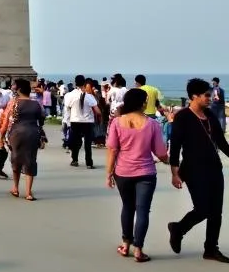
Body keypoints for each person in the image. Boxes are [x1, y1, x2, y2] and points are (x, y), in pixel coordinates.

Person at [169, 78, 229, 262]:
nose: (210, 98)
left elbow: (221, 142)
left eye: (210, 95)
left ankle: (211, 249)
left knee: (216, 212)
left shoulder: (210, 116)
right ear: (194, 96)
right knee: (203, 209)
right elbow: (176, 145)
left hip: (214, 169)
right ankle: (178, 228)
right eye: (206, 95)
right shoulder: (183, 116)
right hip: (193, 170)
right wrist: (174, 172)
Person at [106, 86, 168, 262]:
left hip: (123, 172)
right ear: (144, 103)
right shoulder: (152, 124)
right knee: (142, 211)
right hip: (146, 172)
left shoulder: (117, 122)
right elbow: (160, 151)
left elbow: (112, 150)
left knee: (128, 207)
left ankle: (125, 245)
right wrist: (168, 161)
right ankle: (139, 250)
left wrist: (108, 174)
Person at [0, 78, 46, 201]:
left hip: (16, 134)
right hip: (32, 133)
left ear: (18, 90)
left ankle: (15, 188)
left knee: (16, 159)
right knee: (30, 160)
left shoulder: (14, 103)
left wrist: (0, 137)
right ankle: (28, 193)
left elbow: (6, 121)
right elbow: (41, 120)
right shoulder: (36, 104)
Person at [63, 75, 100, 169]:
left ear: (75, 83)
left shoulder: (70, 95)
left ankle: (74, 160)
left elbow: (67, 108)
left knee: (76, 142)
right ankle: (89, 163)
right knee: (87, 143)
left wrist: (67, 121)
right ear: (84, 83)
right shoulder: (89, 96)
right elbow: (97, 110)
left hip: (75, 120)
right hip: (88, 122)